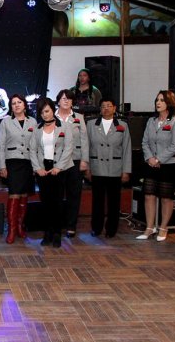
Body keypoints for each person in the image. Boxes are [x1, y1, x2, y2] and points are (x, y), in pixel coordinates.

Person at [137, 90, 175, 242]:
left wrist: (158, 160)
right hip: (151, 164)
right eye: (157, 100)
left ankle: (163, 228)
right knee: (149, 195)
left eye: (162, 100)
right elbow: (144, 142)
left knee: (166, 197)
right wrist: (150, 158)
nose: (158, 103)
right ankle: (149, 227)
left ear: (169, 103)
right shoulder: (151, 121)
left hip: (168, 165)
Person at [29, 97, 73, 248]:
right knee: (45, 202)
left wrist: (59, 167)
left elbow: (68, 148)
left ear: (53, 110)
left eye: (47, 111)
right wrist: (37, 168)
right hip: (43, 169)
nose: (45, 115)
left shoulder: (65, 126)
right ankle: (47, 232)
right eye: (42, 112)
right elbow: (33, 150)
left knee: (58, 202)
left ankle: (57, 233)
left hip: (60, 168)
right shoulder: (37, 128)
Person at [86, 98, 131, 238]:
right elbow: (86, 147)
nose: (106, 108)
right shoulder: (91, 124)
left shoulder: (122, 125)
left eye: (109, 106)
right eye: (103, 106)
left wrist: (126, 170)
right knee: (97, 201)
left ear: (114, 108)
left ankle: (111, 229)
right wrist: (87, 168)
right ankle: (96, 228)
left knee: (114, 202)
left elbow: (127, 149)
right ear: (100, 109)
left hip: (115, 168)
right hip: (97, 167)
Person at [0, 94, 37, 244]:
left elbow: (35, 145)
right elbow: (0, 145)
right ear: (11, 107)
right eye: (13, 103)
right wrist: (2, 166)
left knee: (24, 195)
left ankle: (20, 227)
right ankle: (12, 230)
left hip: (28, 163)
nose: (16, 105)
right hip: (12, 163)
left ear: (24, 105)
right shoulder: (6, 122)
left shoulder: (33, 121)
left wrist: (36, 165)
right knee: (14, 194)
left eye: (19, 102)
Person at [55, 89, 89, 238]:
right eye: (63, 98)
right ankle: (57, 225)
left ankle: (71, 226)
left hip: (75, 160)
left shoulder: (79, 117)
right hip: (56, 161)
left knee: (74, 195)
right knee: (56, 194)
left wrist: (84, 160)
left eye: (69, 99)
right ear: (58, 101)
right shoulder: (51, 116)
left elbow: (84, 140)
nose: (66, 101)